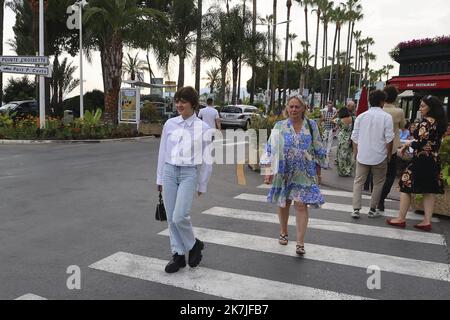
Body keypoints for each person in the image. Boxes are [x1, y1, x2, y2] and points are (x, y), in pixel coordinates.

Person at [156, 86, 213, 273]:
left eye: (183, 101)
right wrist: (159, 178)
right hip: (169, 172)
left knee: (180, 216)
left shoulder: (203, 128)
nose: (179, 104)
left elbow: (207, 159)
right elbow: (162, 152)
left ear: (193, 104)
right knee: (171, 219)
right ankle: (178, 255)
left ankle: (194, 245)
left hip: (189, 173)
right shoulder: (170, 124)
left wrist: (202, 183)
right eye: (177, 101)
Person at [261, 96, 326, 256]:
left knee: (301, 205)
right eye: (291, 106)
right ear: (287, 108)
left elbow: (318, 148)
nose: (294, 109)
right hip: (284, 171)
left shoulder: (311, 126)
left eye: (297, 107)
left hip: (305, 172)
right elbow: (270, 148)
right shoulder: (280, 126)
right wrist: (267, 173)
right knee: (285, 203)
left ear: (303, 108)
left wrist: (319, 172)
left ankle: (300, 243)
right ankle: (283, 231)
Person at [387, 96, 448, 232]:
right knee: (429, 190)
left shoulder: (427, 122)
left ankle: (401, 218)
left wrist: (407, 143)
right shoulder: (440, 122)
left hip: (421, 160)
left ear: (430, 108)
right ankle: (427, 221)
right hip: (433, 159)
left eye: (423, 106)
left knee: (405, 184)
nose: (420, 109)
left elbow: (420, 142)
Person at [351, 90, 394, 219]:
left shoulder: (361, 116)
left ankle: (356, 209)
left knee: (358, 182)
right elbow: (389, 139)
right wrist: (389, 155)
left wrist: (355, 153)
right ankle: (372, 209)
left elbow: (354, 137)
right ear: (382, 102)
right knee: (378, 183)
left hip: (362, 154)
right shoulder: (387, 117)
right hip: (380, 155)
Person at [377, 86, 406, 212]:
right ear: (395, 97)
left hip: (377, 146)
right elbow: (403, 126)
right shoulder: (399, 112)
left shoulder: (378, 110)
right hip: (392, 147)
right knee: (390, 175)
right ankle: (381, 200)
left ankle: (375, 198)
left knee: (377, 175)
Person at [333, 107, 355, 177]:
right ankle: (348, 170)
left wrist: (336, 113)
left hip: (342, 139)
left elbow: (331, 120)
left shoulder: (339, 120)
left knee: (342, 155)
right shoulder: (353, 118)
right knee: (349, 155)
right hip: (351, 138)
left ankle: (342, 171)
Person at [319, 101, 338, 168]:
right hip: (325, 127)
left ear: (332, 106)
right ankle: (325, 150)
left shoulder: (334, 112)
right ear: (327, 106)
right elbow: (321, 119)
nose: (330, 108)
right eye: (329, 106)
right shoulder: (324, 111)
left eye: (331, 106)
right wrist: (322, 119)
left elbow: (336, 121)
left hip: (331, 128)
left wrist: (335, 127)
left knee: (330, 140)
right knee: (324, 140)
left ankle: (327, 152)